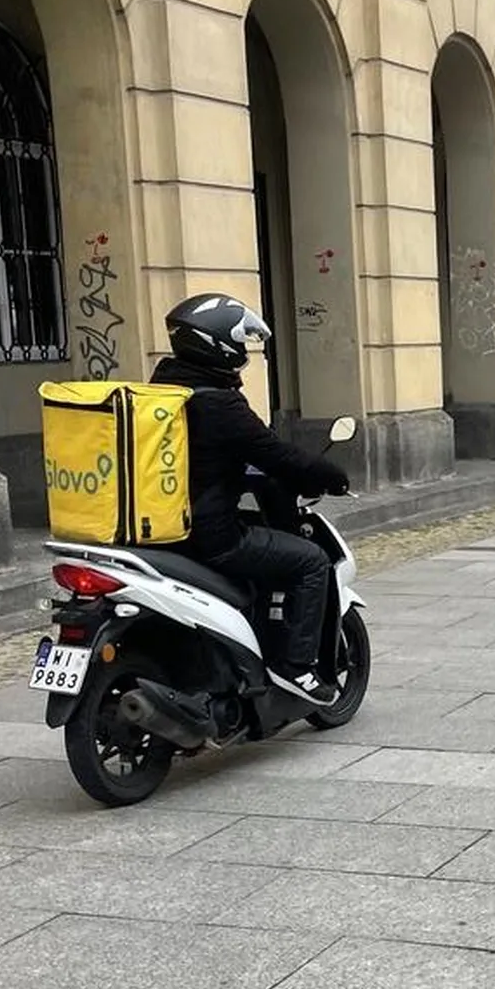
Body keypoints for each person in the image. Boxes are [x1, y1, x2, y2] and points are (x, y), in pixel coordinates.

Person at [152, 291, 350, 704]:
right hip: (212, 537)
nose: (243, 351)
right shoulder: (219, 403)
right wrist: (331, 476)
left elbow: (201, 458)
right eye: (239, 341)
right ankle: (294, 666)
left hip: (163, 532)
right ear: (218, 345)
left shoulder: (163, 391)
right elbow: (277, 455)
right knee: (312, 562)